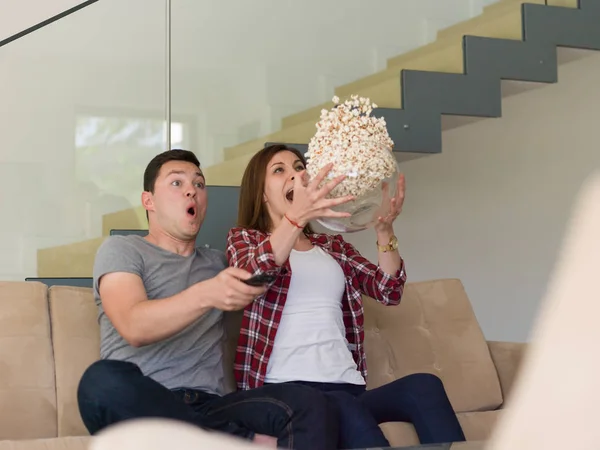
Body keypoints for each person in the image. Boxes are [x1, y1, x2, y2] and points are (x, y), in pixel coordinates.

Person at [76, 149, 339, 450]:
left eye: (199, 184)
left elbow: (264, 266)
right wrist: (207, 293)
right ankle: (238, 442)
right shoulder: (123, 249)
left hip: (214, 406)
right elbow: (134, 326)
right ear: (148, 201)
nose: (192, 190)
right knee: (100, 383)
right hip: (146, 401)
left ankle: (212, 438)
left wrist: (296, 216)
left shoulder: (220, 262)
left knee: (309, 402)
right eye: (177, 183)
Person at [226, 144, 467, 449]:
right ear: (261, 194)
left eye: (300, 167)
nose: (295, 175)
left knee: (424, 386)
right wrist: (296, 219)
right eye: (279, 170)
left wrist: (383, 231)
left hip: (349, 386)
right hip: (289, 391)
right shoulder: (245, 239)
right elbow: (252, 274)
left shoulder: (332, 246)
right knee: (341, 405)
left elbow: (387, 289)